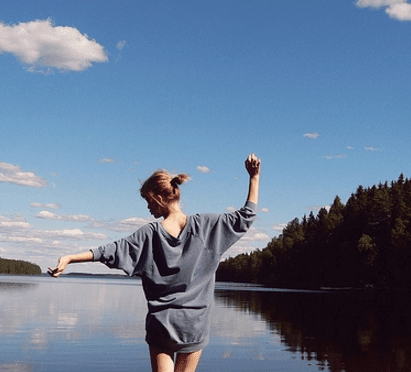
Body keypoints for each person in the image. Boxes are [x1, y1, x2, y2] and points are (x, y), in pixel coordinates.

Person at [48, 153, 261, 372]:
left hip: (162, 327)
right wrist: (254, 177)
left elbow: (108, 251)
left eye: (149, 201)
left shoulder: (149, 234)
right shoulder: (207, 226)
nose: (149, 208)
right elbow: (246, 216)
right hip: (193, 325)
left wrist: (70, 258)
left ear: (158, 197)